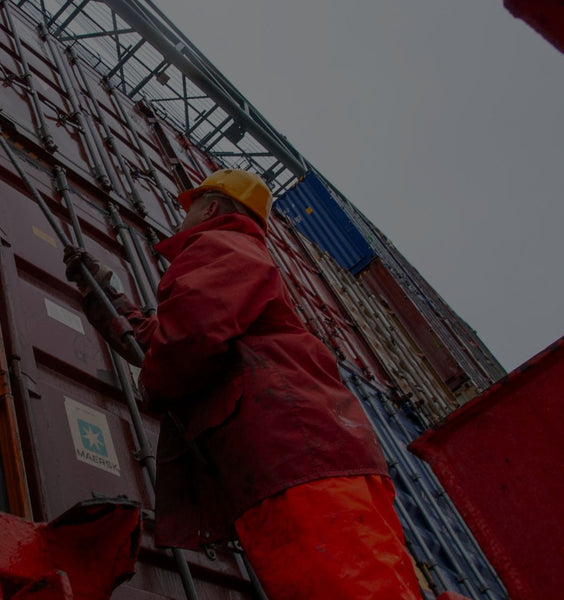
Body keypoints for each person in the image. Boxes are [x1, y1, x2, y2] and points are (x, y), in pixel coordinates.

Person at [64, 169, 424, 600]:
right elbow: (176, 341)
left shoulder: (221, 245)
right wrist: (108, 303)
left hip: (295, 461)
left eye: (190, 206)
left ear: (212, 207)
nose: (183, 217)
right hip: (311, 461)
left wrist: (153, 387)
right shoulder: (242, 261)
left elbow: (187, 342)